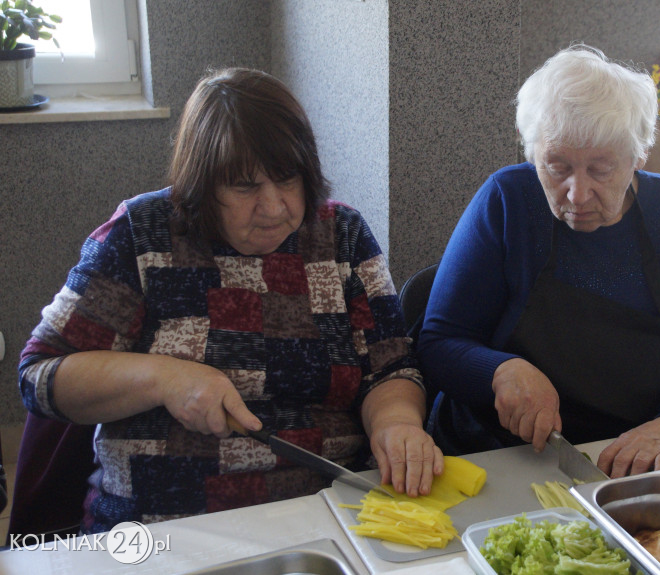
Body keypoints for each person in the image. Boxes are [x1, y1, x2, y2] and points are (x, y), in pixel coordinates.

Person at [18, 68, 442, 535]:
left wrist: (396, 424)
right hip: (164, 528)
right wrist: (164, 378)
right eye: (244, 187)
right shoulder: (143, 234)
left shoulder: (342, 235)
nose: (275, 206)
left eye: (288, 180)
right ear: (201, 184)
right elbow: (39, 377)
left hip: (328, 517)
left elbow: (391, 368)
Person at [418, 45, 660, 477]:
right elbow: (439, 342)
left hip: (630, 461)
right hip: (492, 454)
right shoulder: (507, 202)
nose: (576, 194)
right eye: (556, 167)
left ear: (638, 157)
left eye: (600, 170)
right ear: (532, 154)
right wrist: (500, 370)